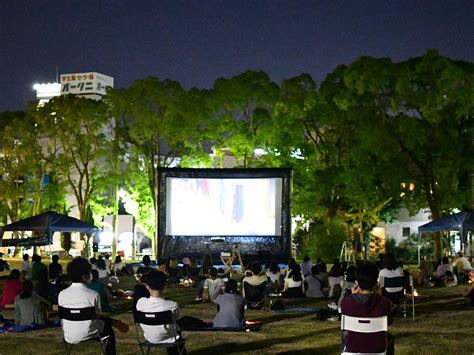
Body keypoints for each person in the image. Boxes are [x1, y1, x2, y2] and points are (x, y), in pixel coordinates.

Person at [58, 257, 129, 355]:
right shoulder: (93, 294)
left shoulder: (62, 294)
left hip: (68, 335)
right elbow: (98, 316)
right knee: (107, 327)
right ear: (85, 276)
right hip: (90, 333)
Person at [341, 262, 393, 354]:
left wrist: (353, 296)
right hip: (377, 348)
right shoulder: (384, 303)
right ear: (376, 283)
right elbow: (388, 322)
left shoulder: (346, 302)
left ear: (356, 283)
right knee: (390, 337)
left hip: (352, 347)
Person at [135, 270, 186, 355]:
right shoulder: (172, 305)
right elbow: (176, 319)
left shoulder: (140, 303)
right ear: (165, 285)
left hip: (150, 337)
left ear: (146, 286)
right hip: (170, 338)